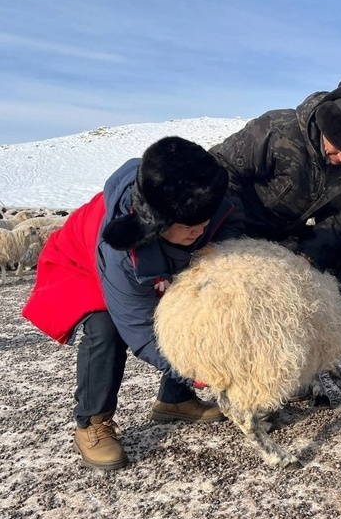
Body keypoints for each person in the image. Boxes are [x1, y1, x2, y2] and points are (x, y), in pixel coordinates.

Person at [22, 136, 243, 470]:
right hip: (80, 264)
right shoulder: (122, 250)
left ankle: (174, 399)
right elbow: (139, 328)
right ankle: (92, 423)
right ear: (156, 219)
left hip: (152, 257)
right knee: (106, 327)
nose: (199, 230)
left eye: (204, 220)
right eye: (188, 225)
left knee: (191, 308)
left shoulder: (194, 199)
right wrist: (200, 370)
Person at [209, 75, 341, 291]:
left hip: (285, 234)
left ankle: (339, 317)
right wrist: (232, 235)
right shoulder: (276, 131)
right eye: (337, 148)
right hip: (237, 224)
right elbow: (221, 168)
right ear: (325, 126)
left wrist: (309, 254)